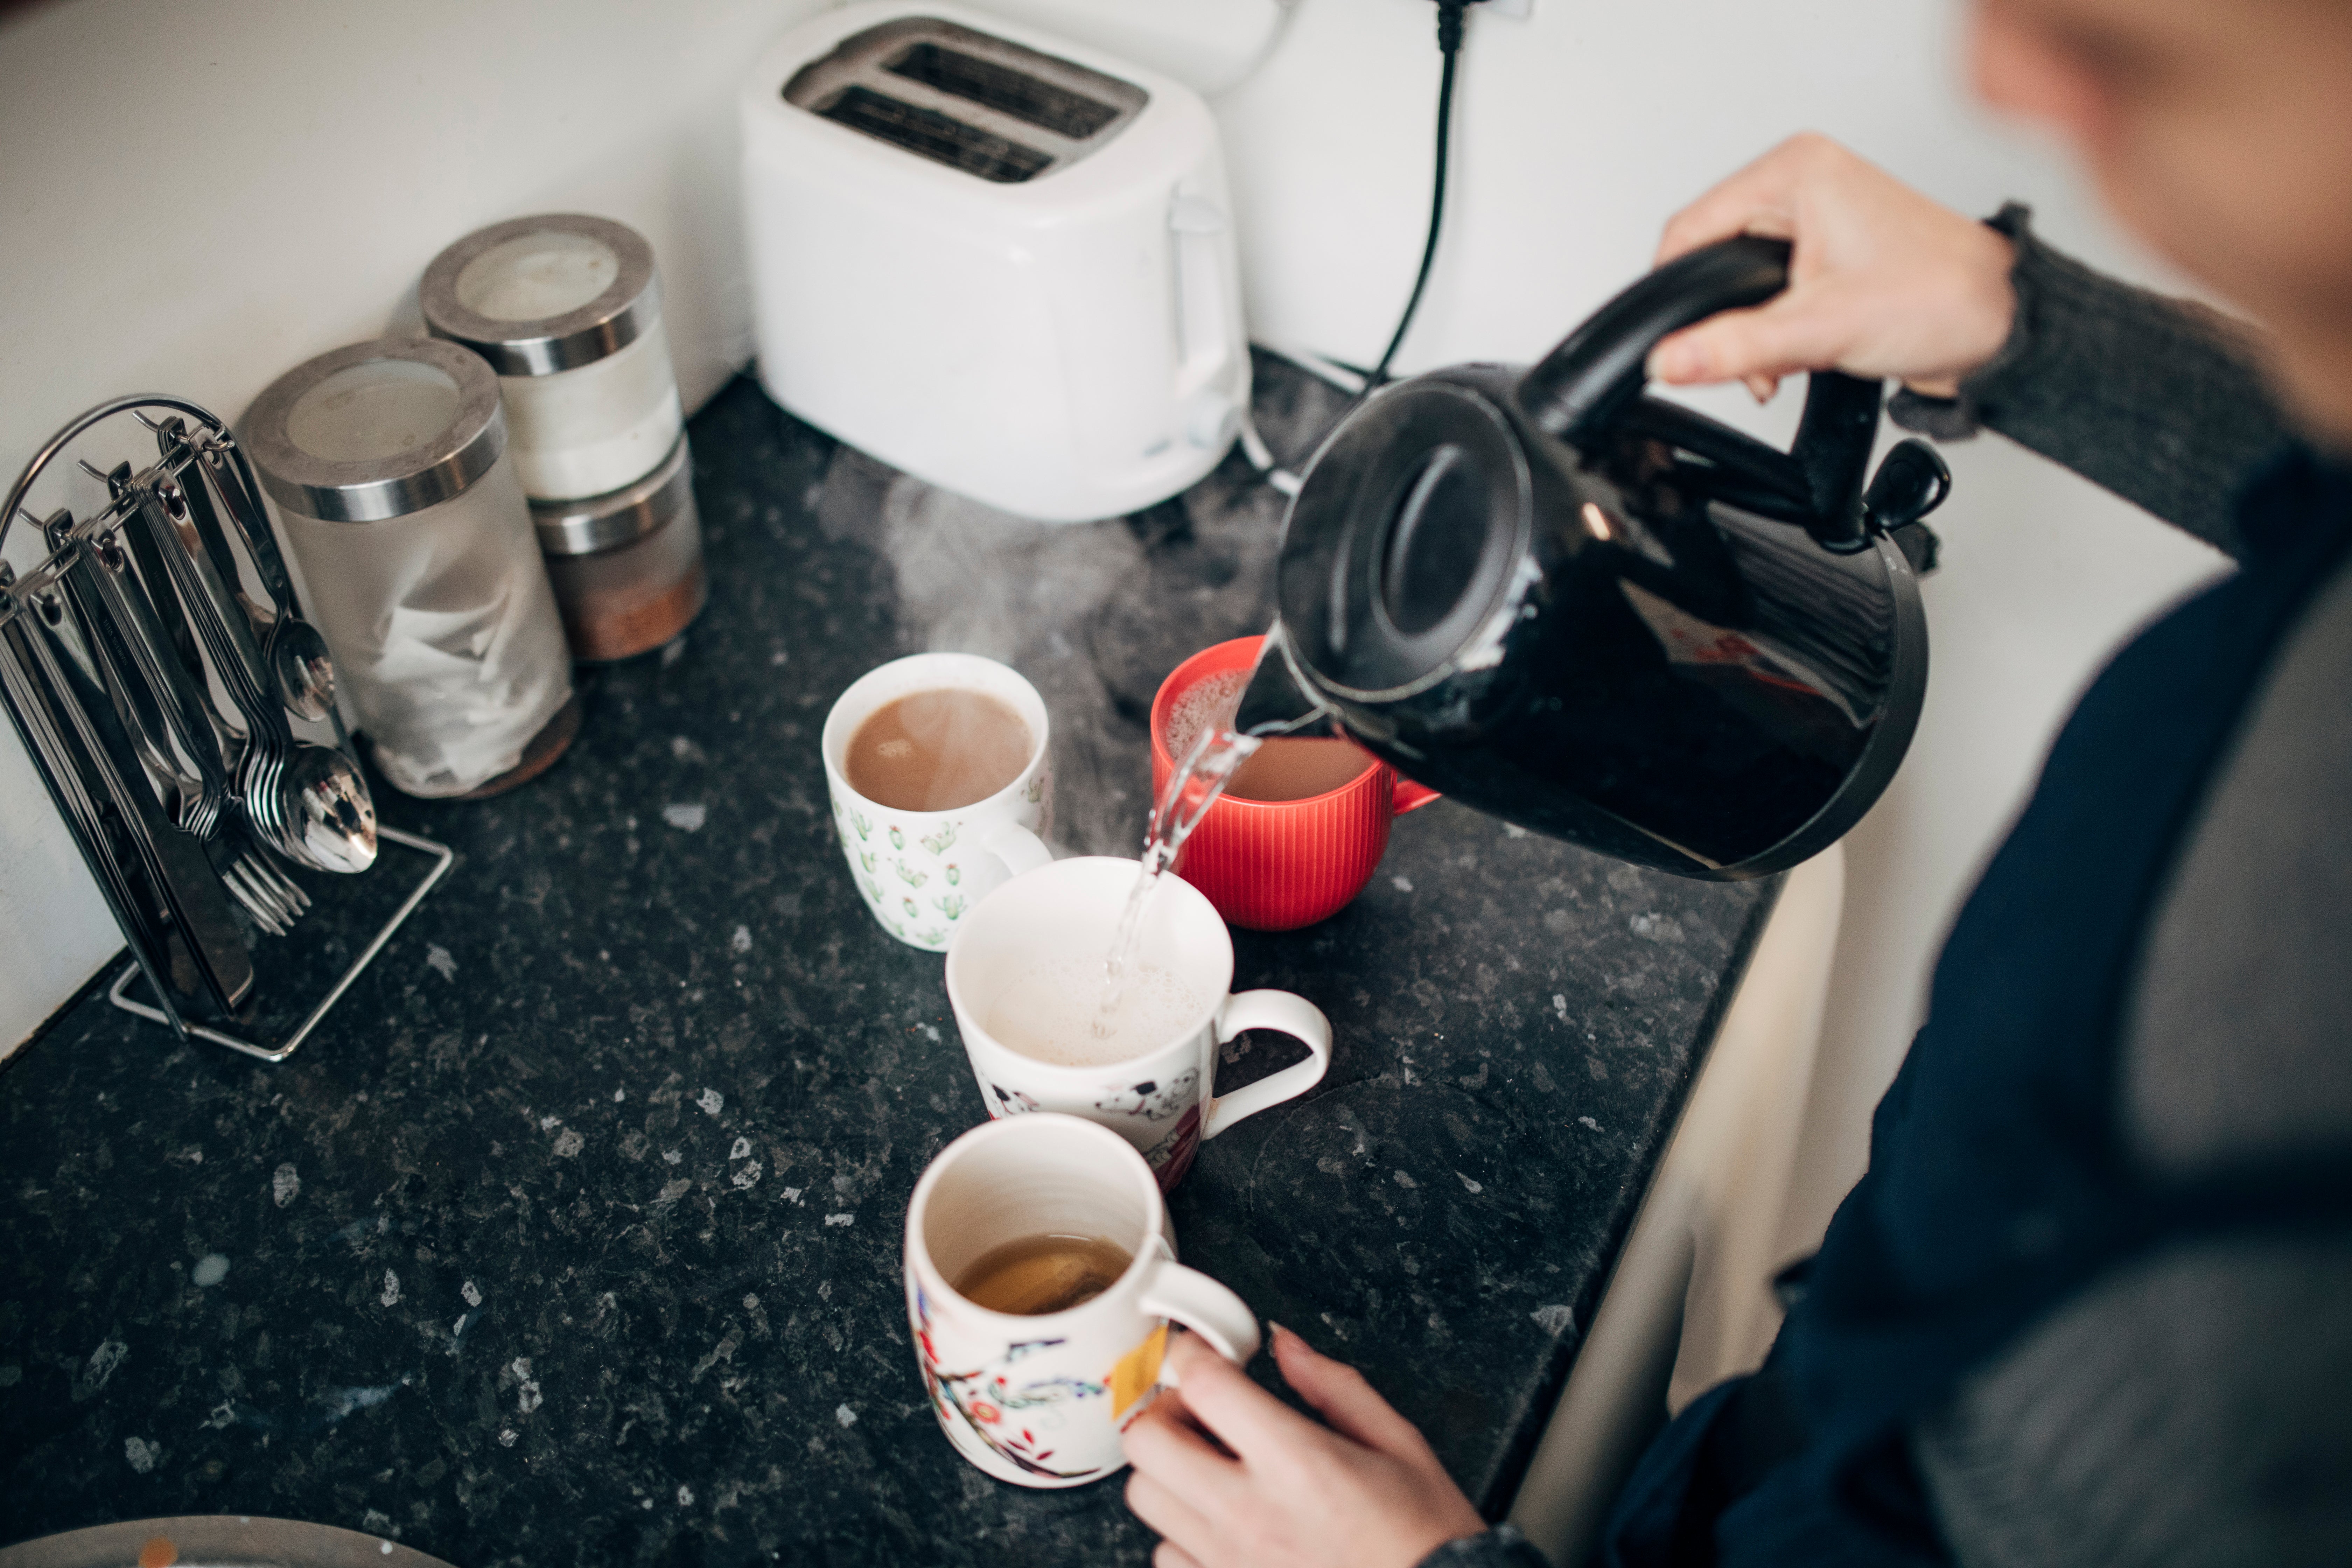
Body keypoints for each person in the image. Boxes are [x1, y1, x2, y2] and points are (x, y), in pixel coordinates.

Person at [1120, 0, 2352, 1562]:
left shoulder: (2282, 1135)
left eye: (2129, 33)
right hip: (1811, 1411)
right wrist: (2019, 324)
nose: (2001, 74)